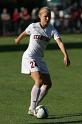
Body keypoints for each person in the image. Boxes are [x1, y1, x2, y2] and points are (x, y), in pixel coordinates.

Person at [15, 6, 70, 116]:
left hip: (39, 59)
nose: (48, 18)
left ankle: (33, 106)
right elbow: (25, 33)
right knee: (39, 81)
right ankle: (32, 108)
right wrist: (18, 39)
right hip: (29, 57)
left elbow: (59, 42)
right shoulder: (33, 26)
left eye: (49, 16)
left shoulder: (52, 29)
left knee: (48, 84)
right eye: (45, 16)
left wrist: (65, 55)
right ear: (40, 16)